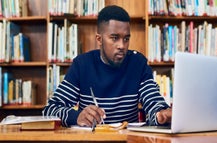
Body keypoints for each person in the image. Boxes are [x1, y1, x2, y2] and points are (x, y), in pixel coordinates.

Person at [43, 5, 172, 127]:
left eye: (126, 39)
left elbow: (153, 102)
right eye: (114, 38)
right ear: (99, 39)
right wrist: (76, 117)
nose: (122, 45)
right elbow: (49, 110)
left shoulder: (138, 63)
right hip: (91, 142)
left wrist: (161, 115)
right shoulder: (82, 65)